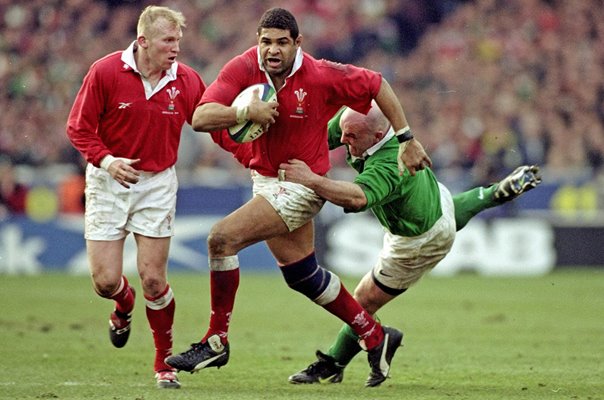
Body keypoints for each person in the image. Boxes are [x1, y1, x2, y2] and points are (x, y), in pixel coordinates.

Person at [166, 7, 431, 387]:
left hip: (301, 184)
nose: (272, 50)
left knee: (221, 239)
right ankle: (376, 336)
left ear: (297, 44)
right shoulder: (244, 67)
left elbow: (376, 85)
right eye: (265, 42)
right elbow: (201, 117)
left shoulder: (321, 75)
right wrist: (245, 109)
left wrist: (406, 138)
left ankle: (216, 340)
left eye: (281, 43)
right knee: (302, 275)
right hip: (266, 179)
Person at [278, 104, 542, 385]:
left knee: (362, 303)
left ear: (379, 134)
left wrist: (311, 179)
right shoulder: (357, 124)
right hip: (433, 200)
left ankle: (334, 361)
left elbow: (356, 198)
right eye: (344, 133)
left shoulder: (393, 164)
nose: (344, 141)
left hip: (417, 240)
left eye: (352, 137)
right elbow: (316, 136)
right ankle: (491, 194)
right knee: (447, 212)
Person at [65, 5, 206, 389]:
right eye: (167, 40)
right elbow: (78, 128)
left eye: (178, 40)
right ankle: (123, 306)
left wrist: (251, 152)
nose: (175, 47)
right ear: (143, 41)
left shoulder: (187, 80)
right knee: (105, 281)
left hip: (157, 183)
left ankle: (164, 364)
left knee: (155, 281)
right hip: (109, 180)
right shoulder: (106, 71)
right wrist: (107, 161)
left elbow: (212, 125)